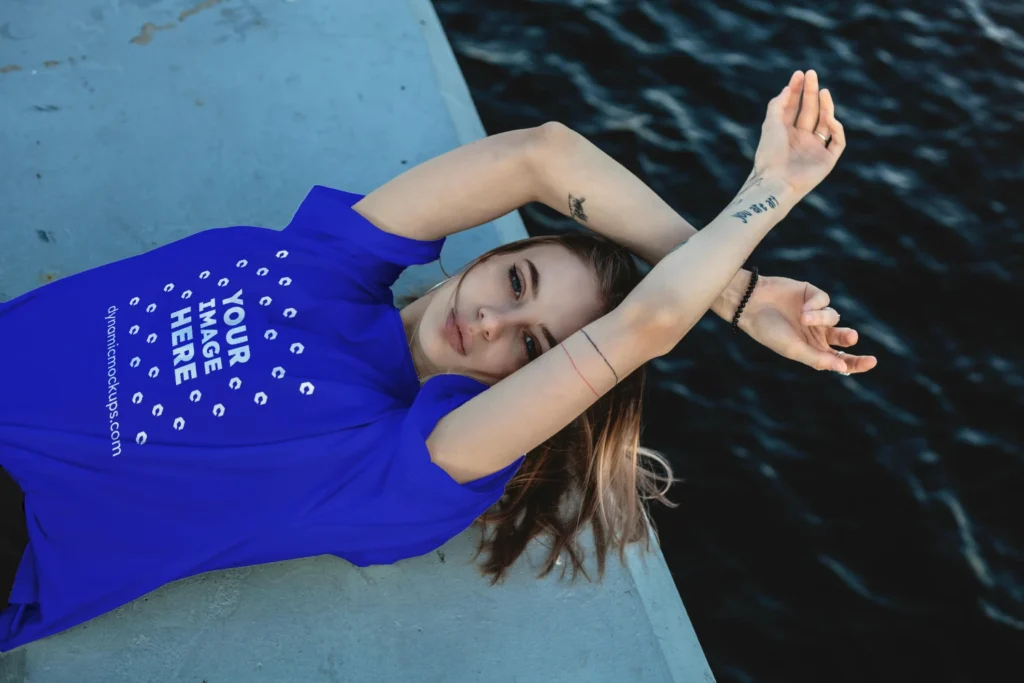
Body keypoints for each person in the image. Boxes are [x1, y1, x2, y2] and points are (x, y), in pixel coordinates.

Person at [0, 69, 875, 651]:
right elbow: (539, 155)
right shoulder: (334, 260)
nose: (492, 319)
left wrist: (772, 191)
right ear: (486, 257)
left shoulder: (408, 464)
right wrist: (742, 286)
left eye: (532, 348)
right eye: (517, 279)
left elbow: (646, 324)